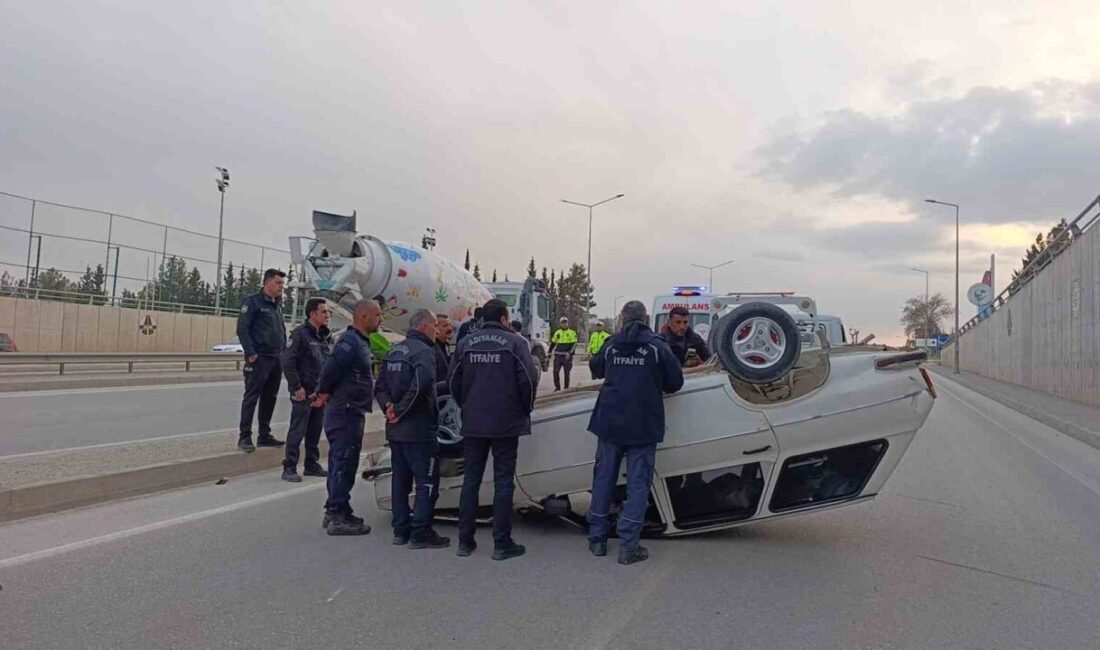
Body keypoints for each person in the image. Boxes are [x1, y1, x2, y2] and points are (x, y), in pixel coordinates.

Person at [587, 300, 683, 565]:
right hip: (642, 424)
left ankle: (597, 540)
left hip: (609, 422)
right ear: (646, 318)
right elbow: (675, 382)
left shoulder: (612, 344)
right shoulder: (656, 346)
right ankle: (628, 547)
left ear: (622, 319)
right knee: (638, 483)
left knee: (603, 478)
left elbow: (597, 369)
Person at [449, 298, 539, 560]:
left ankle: (465, 542)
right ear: (503, 318)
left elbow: (453, 381)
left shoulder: (466, 343)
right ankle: (502, 543)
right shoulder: (515, 343)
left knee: (471, 480)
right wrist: (525, 409)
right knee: (503, 482)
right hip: (506, 423)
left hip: (474, 422)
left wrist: (466, 404)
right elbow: (529, 381)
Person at [375, 309, 450, 549]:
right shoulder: (424, 352)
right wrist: (399, 409)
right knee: (427, 481)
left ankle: (401, 530)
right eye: (435, 325)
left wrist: (389, 407)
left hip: (396, 430)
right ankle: (421, 532)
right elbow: (422, 385)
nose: (437, 329)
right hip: (419, 429)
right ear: (426, 326)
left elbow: (380, 386)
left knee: (400, 481)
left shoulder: (394, 350)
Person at [313, 299, 383, 536]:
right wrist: (323, 391)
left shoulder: (360, 342)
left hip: (352, 410)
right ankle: (338, 516)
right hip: (345, 412)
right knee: (344, 463)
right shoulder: (350, 342)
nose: (381, 319)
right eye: (378, 315)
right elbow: (330, 369)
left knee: (341, 463)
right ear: (364, 316)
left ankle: (335, 509)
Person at [280, 298, 332, 482]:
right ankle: (290, 467)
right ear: (312, 314)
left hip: (319, 392)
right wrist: (296, 387)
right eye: (324, 312)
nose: (328, 315)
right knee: (298, 430)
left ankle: (311, 464)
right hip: (304, 391)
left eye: (328, 312)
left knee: (315, 430)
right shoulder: (300, 334)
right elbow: (287, 362)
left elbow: (327, 363)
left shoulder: (325, 335)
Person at [236, 268, 288, 452]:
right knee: (251, 397)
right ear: (267, 283)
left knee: (270, 398)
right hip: (259, 359)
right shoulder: (253, 303)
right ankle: (244, 437)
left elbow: (280, 330)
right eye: (278, 283)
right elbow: (242, 329)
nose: (282, 286)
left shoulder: (277, 305)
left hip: (276, 359)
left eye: (282, 283)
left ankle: (264, 435)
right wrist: (251, 353)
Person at [548, 316, 578, 391]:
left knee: (566, 373)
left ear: (567, 323)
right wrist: (549, 351)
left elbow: (574, 344)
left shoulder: (571, 333)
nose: (564, 324)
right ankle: (557, 387)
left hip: (566, 356)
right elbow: (553, 343)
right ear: (560, 323)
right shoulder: (557, 332)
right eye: (563, 322)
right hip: (558, 355)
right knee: (555, 372)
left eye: (565, 322)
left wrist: (570, 353)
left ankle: (566, 387)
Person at [433, 313, 453, 396]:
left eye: (449, 325)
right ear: (436, 328)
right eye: (445, 326)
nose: (449, 328)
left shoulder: (446, 345)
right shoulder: (432, 347)